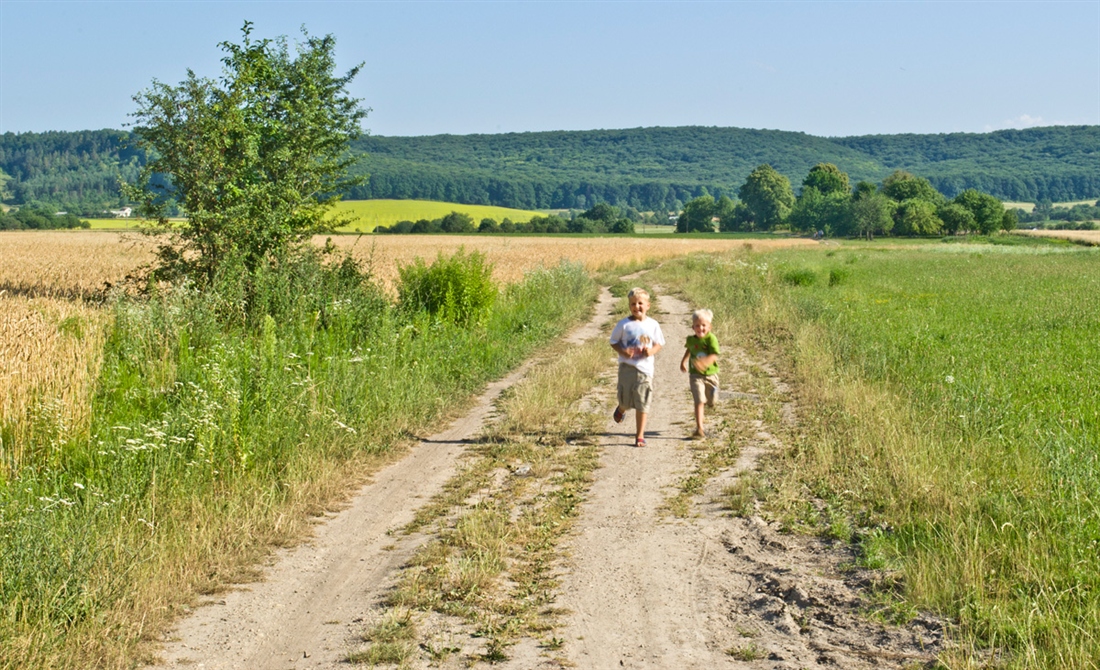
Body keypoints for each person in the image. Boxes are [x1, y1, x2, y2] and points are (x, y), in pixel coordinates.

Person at [609, 288, 665, 447]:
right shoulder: (624, 325)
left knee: (643, 402)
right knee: (626, 400)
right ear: (629, 306)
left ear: (648, 305)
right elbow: (613, 342)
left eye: (640, 303)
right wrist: (623, 351)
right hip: (627, 368)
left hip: (645, 370)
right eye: (633, 304)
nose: (637, 306)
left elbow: (659, 343)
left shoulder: (653, 324)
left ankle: (639, 435)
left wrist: (651, 351)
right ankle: (622, 408)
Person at [680, 308, 720, 439]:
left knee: (711, 401)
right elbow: (689, 349)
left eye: (704, 325)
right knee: (699, 400)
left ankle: (712, 397)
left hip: (710, 375)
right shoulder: (691, 340)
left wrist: (704, 363)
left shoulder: (711, 339)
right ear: (693, 327)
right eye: (697, 325)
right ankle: (699, 428)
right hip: (695, 376)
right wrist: (684, 361)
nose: (700, 328)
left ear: (709, 327)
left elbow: (714, 355)